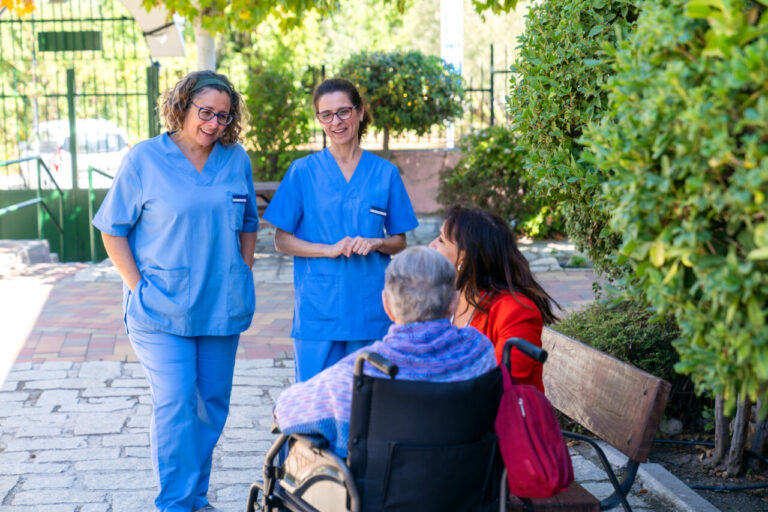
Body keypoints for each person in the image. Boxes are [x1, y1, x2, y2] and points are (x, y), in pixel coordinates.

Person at [93, 70, 258, 512]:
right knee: (176, 401)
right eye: (205, 112)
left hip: (221, 304)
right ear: (181, 107)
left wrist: (241, 271)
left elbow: (248, 223)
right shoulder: (145, 159)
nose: (214, 123)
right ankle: (176, 503)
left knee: (211, 405)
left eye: (223, 116)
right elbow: (113, 230)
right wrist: (137, 287)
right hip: (159, 307)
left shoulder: (235, 158)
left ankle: (195, 496)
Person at [263, 78, 418, 383]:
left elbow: (399, 241)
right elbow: (281, 241)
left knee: (365, 407)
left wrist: (376, 243)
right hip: (318, 311)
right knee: (314, 407)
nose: (337, 122)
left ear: (360, 112)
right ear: (319, 120)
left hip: (369, 309)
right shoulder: (302, 172)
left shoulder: (384, 173)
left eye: (344, 111)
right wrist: (327, 249)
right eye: (326, 114)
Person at [273, 246, 496, 457]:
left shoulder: (355, 375)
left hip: (379, 493)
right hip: (468, 488)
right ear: (454, 303)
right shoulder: (480, 352)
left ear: (386, 305)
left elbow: (284, 412)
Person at [429, 205, 559, 392]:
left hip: (500, 417)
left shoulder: (517, 311)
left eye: (441, 240)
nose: (431, 246)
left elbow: (500, 385)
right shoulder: (450, 299)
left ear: (464, 259)